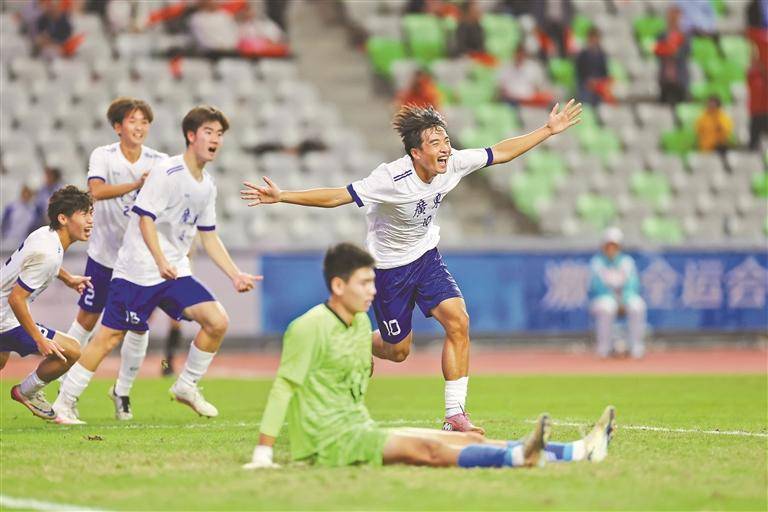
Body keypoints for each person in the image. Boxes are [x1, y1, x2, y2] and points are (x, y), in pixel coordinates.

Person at [241, 100, 582, 433]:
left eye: (446, 140)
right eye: (436, 143)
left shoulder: (454, 163)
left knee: (459, 322)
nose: (446, 148)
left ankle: (455, 415)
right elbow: (337, 197)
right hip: (389, 269)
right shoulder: (390, 179)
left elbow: (500, 152)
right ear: (416, 153)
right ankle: (356, 341)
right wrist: (283, 195)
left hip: (426, 257)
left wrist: (548, 130)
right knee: (398, 351)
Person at [243, 243, 616, 470]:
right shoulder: (307, 327)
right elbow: (282, 389)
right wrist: (263, 453)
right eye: (364, 283)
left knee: (464, 440)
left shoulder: (358, 327)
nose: (374, 291)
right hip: (330, 443)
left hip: (359, 429)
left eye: (374, 281)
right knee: (430, 449)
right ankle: (518, 459)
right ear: (338, 286)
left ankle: (576, 450)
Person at [53, 106, 262, 424]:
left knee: (217, 321)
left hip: (173, 271)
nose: (216, 139)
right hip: (137, 270)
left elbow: (209, 236)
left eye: (220, 134)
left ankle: (186, 385)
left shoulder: (207, 185)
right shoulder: (168, 171)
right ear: (191, 136)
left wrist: (235, 274)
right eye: (209, 132)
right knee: (108, 337)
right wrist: (160, 259)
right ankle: (64, 402)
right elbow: (144, 219)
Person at [62, 97, 168, 421]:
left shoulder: (160, 160)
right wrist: (137, 184)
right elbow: (95, 191)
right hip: (105, 255)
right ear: (118, 126)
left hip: (138, 263)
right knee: (87, 320)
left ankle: (122, 391)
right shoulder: (103, 155)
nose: (139, 127)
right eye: (133, 121)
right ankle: (60, 377)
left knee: (138, 328)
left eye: (144, 121)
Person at [0, 186, 93, 423]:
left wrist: (68, 278)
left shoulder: (46, 235)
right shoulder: (48, 252)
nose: (90, 221)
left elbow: (39, 262)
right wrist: (40, 340)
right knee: (71, 350)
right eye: (84, 214)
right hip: (4, 319)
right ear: (63, 218)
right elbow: (16, 298)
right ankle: (26, 391)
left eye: (91, 213)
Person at [589, 227, 646, 359]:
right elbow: (596, 287)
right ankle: (604, 348)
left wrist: (622, 299)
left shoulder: (627, 262)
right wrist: (615, 298)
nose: (611, 248)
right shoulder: (597, 263)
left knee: (638, 305)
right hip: (603, 299)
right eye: (608, 245)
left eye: (614, 245)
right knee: (607, 307)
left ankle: (636, 347)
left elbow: (633, 284)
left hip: (625, 298)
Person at [654, 6, 690, 106]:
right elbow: (657, 51)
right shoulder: (662, 35)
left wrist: (675, 52)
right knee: (664, 103)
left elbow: (686, 52)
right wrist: (667, 51)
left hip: (680, 77)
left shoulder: (684, 35)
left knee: (682, 103)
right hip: (665, 76)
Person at [576, 28, 610, 106]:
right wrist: (589, 81)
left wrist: (599, 82)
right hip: (585, 85)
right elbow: (580, 72)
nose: (595, 40)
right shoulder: (583, 54)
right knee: (586, 98)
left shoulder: (602, 54)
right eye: (593, 37)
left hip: (599, 84)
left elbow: (604, 72)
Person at [1, 184, 36, 250]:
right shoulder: (12, 207)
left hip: (22, 242)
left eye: (28, 194)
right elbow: (4, 223)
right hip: (8, 240)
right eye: (25, 193)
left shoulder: (33, 209)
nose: (26, 196)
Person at [747, 42, 768, 150]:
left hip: (766, 110)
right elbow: (751, 67)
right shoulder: (753, 75)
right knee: (753, 143)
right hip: (756, 111)